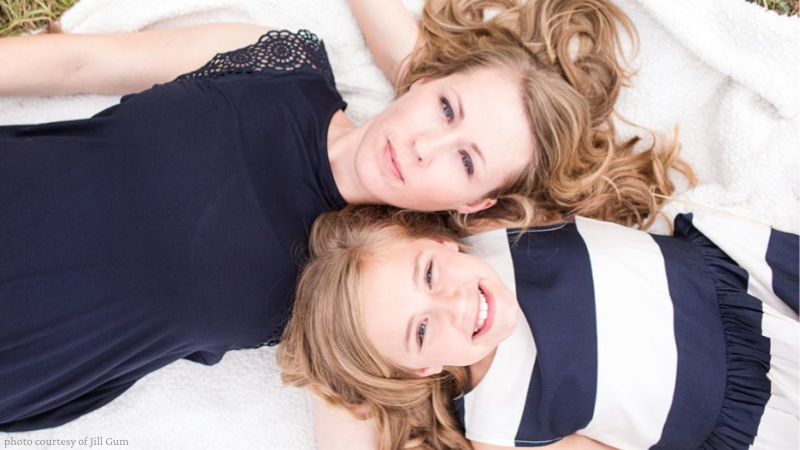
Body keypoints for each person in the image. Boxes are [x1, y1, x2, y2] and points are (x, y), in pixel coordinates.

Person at [0, 0, 688, 431]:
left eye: (467, 161)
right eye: (446, 109)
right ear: (421, 81)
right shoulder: (277, 63)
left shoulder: (373, 274)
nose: (423, 146)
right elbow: (81, 61)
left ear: (476, 205)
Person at [278, 205, 799, 450]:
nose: (456, 305)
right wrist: (338, 384)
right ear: (421, 369)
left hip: (751, 288)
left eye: (431, 275)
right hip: (756, 414)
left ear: (435, 242)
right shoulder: (499, 428)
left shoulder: (493, 227)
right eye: (421, 330)